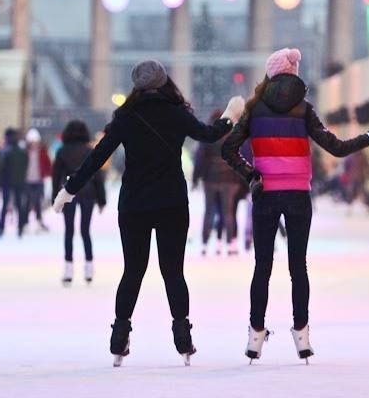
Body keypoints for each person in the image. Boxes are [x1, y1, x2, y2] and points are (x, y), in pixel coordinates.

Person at [51, 60, 243, 366]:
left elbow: (96, 156)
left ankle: (119, 337)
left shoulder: (126, 117)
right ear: (164, 82)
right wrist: (231, 116)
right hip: (171, 204)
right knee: (173, 272)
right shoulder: (177, 113)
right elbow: (209, 134)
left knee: (133, 271)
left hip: (134, 205)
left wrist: (69, 189)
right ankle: (183, 338)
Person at [221, 48, 369, 363]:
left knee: (262, 267)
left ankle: (255, 337)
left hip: (265, 193)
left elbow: (228, 150)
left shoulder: (254, 109)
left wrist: (251, 173)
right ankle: (302, 337)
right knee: (297, 267)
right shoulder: (303, 110)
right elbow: (338, 148)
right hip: (297, 195)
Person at [52, 120, 106, 285]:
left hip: (69, 192)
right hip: (88, 192)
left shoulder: (62, 151)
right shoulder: (90, 150)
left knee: (69, 231)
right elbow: (97, 176)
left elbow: (56, 176)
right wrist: (101, 198)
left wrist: (56, 196)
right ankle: (89, 268)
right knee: (85, 230)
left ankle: (68, 269)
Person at [193, 109, 243, 256]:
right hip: (229, 179)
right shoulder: (233, 136)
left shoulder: (208, 135)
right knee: (228, 212)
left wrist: (196, 177)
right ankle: (230, 243)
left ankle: (204, 243)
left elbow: (200, 158)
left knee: (209, 211)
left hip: (210, 178)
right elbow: (237, 157)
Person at [0, 128, 29, 237]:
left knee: (5, 205)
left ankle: (1, 227)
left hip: (7, 182)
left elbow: (1, 168)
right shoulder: (22, 151)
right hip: (20, 182)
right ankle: (20, 228)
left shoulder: (5, 152)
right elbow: (25, 166)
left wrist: (0, 182)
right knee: (19, 205)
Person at [25, 128, 52, 232]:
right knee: (27, 202)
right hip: (27, 181)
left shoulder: (42, 152)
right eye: (32, 142)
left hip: (39, 180)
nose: (34, 144)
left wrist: (48, 174)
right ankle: (25, 222)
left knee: (38, 202)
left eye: (35, 142)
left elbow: (48, 164)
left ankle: (39, 221)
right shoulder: (25, 152)